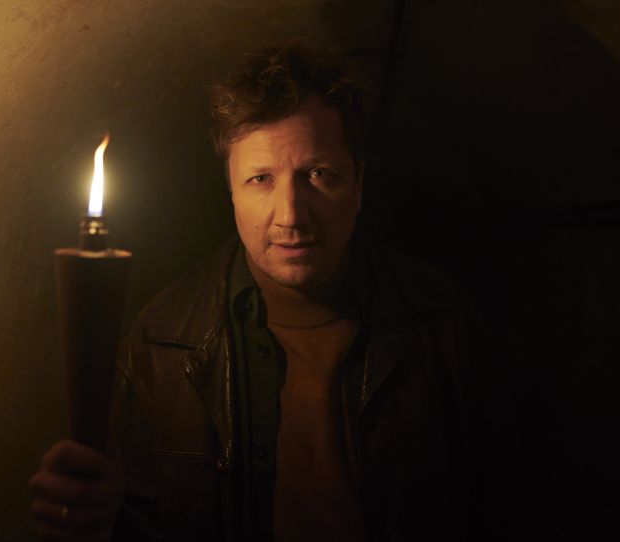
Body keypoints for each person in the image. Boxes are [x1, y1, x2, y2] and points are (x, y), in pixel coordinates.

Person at [30, 43, 507, 542]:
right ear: (231, 191)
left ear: (359, 183)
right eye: (261, 179)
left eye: (319, 174)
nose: (291, 214)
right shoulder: (163, 343)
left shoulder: (442, 324)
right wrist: (97, 522)